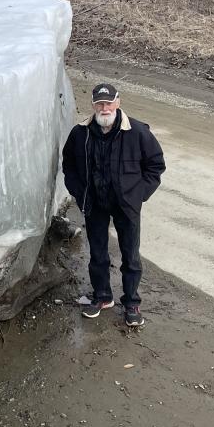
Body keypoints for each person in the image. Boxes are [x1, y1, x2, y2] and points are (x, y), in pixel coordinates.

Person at [61, 83, 165, 326]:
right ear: (94, 105)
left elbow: (155, 166)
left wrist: (138, 195)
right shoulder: (81, 133)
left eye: (108, 103)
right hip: (94, 203)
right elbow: (69, 166)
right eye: (99, 103)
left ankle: (131, 303)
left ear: (118, 103)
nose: (104, 107)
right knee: (97, 254)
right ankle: (102, 297)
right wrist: (79, 193)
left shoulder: (137, 132)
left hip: (126, 205)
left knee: (130, 256)